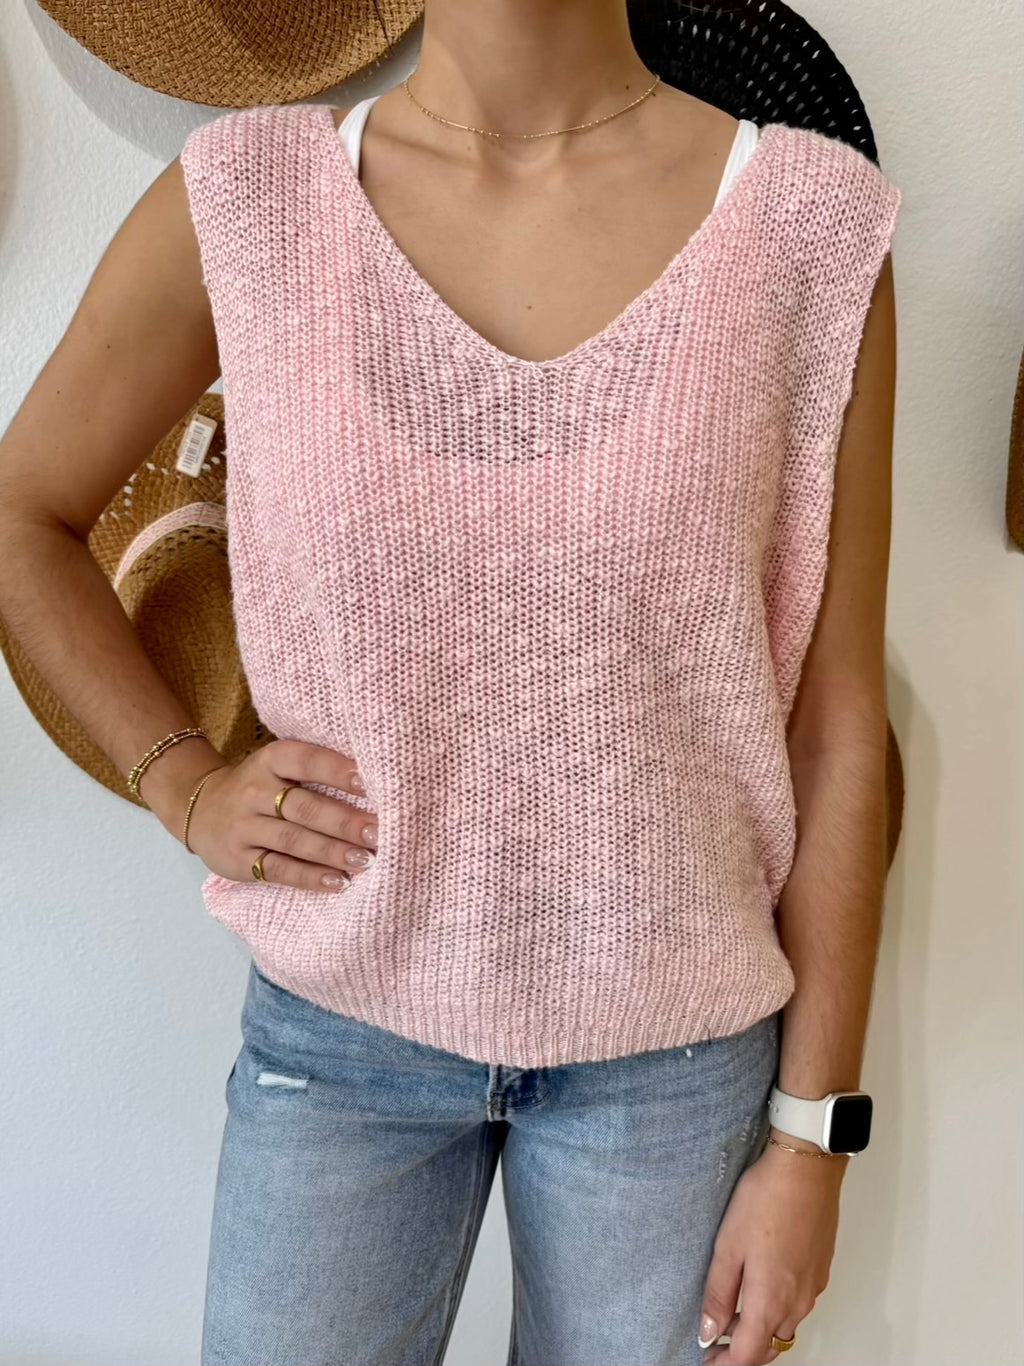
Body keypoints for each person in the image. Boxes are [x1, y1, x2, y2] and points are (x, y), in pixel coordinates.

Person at [0, 1, 900, 1362]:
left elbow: (838, 724)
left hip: (672, 1064)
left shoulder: (810, 232)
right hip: (340, 1038)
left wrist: (812, 1138)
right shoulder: (251, 203)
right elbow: (26, 516)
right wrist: (182, 784)